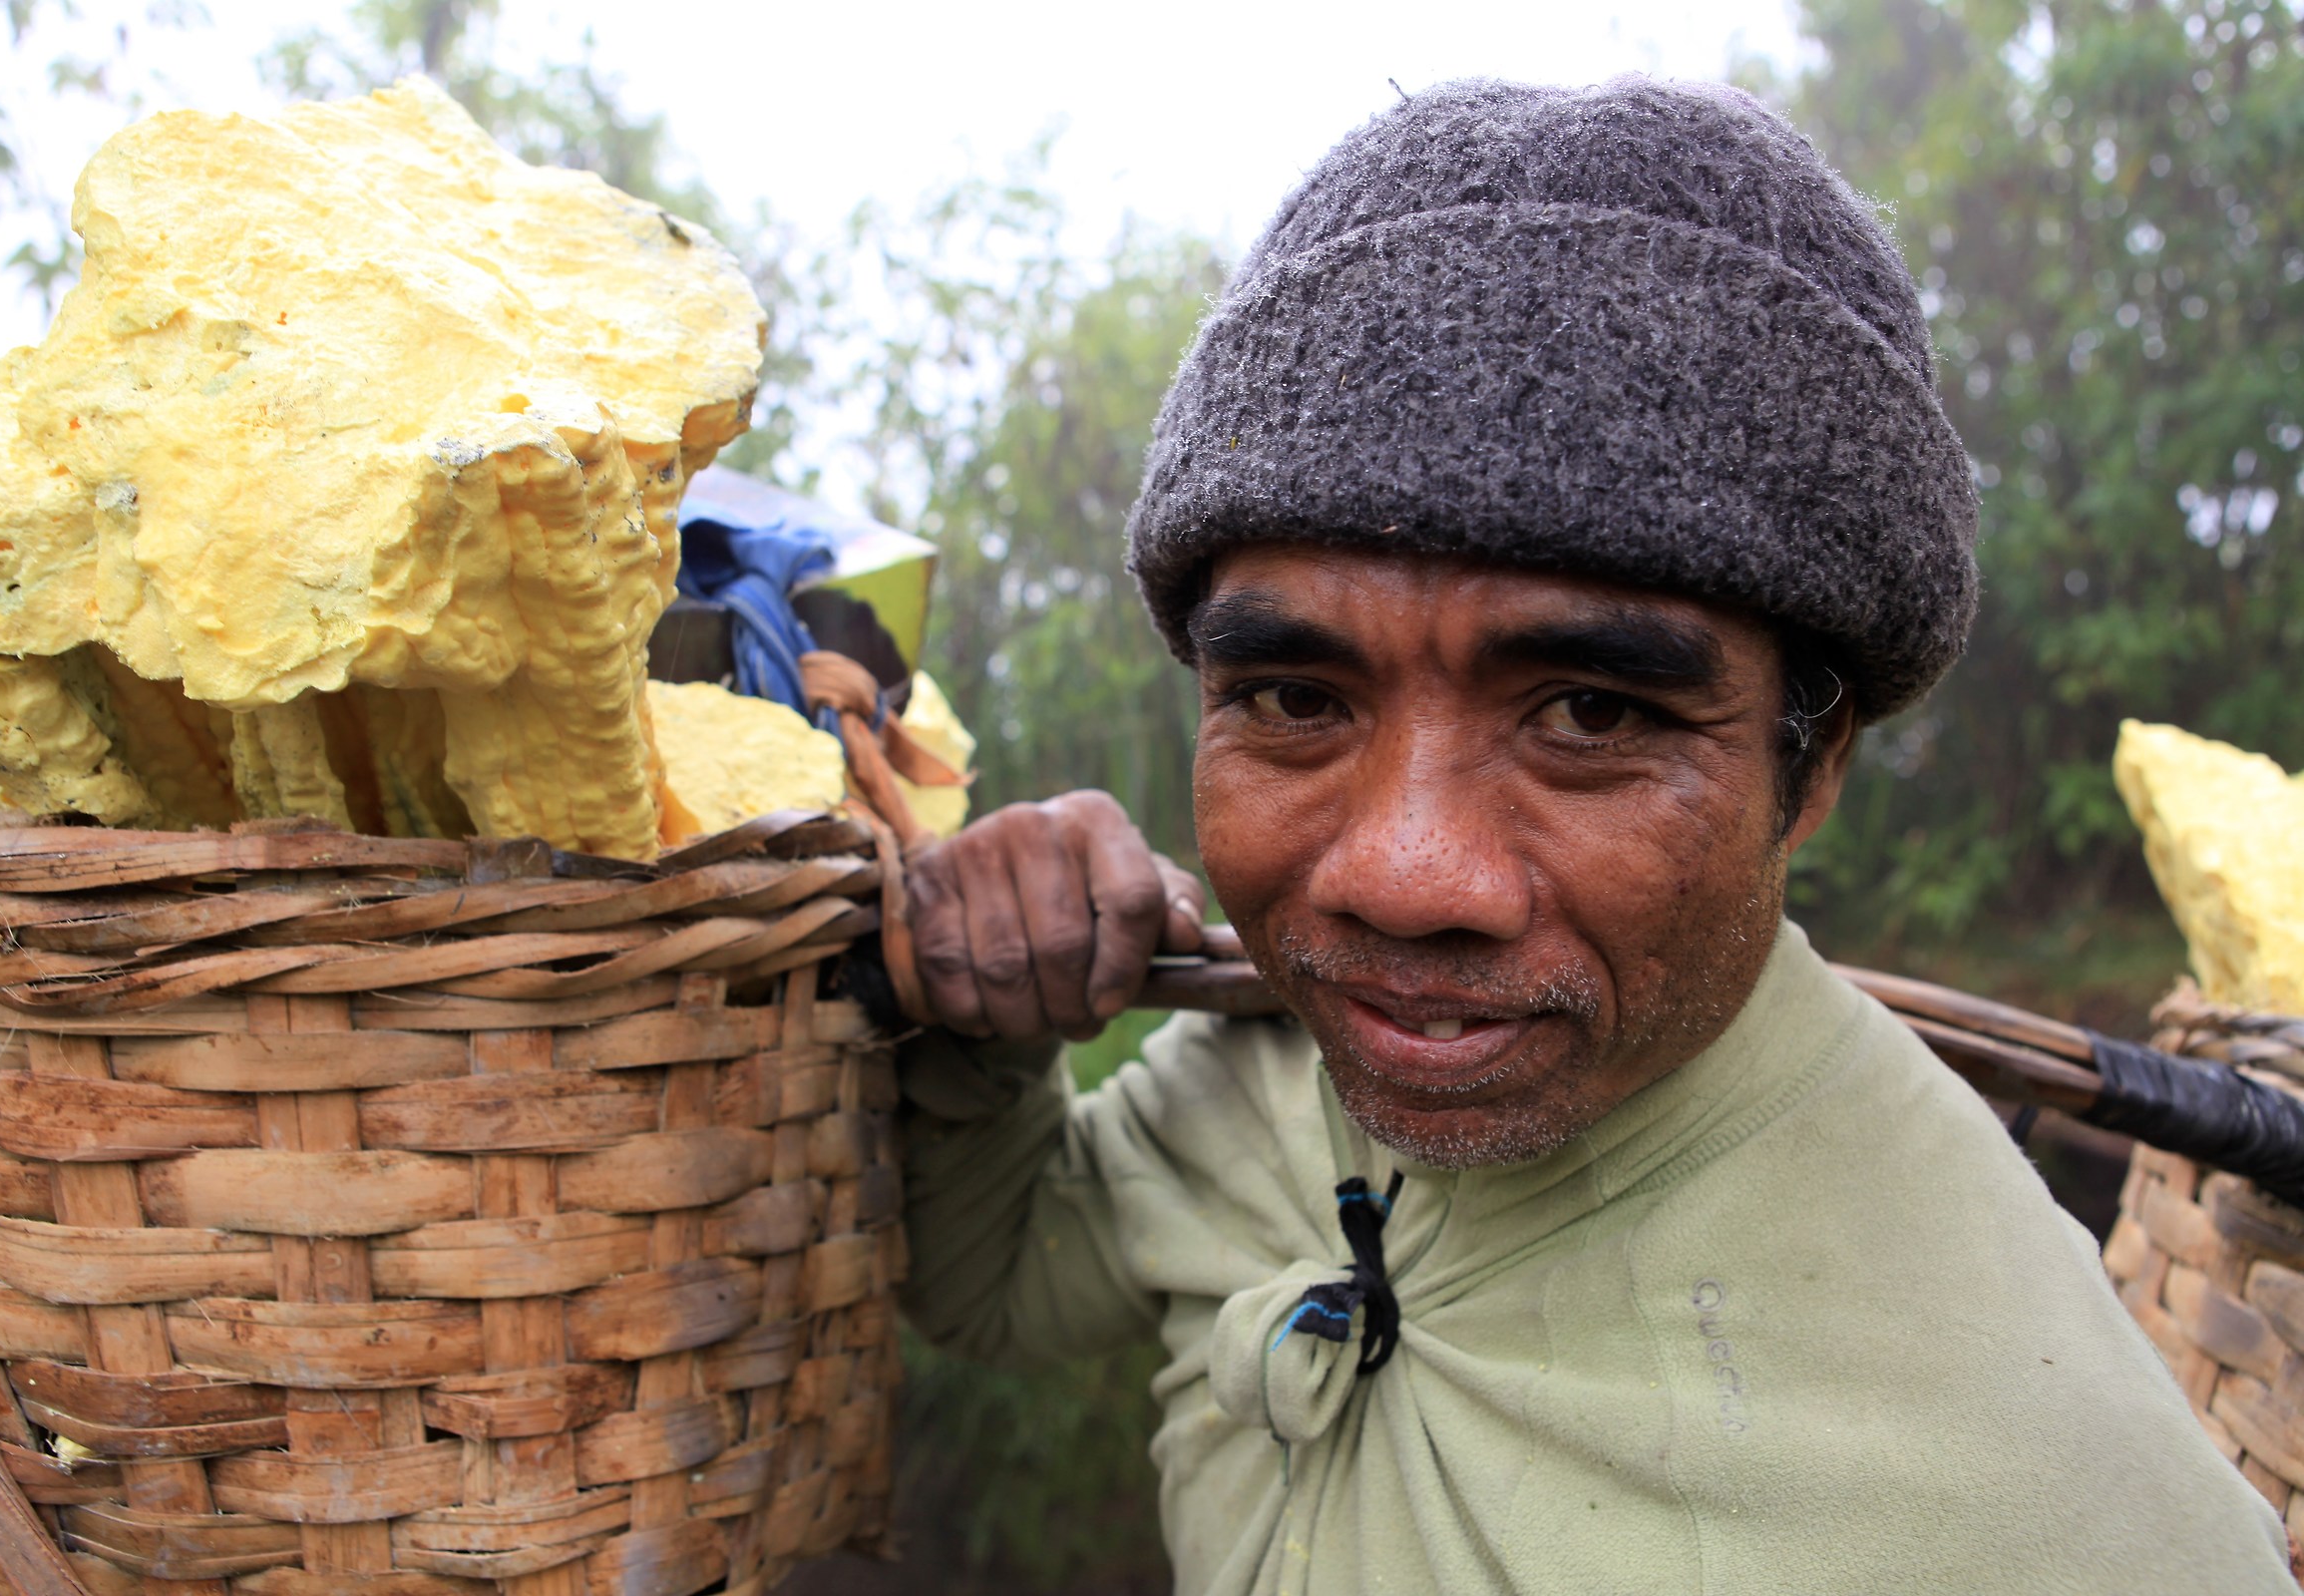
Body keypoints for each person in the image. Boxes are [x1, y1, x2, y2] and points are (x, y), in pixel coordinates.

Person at [895, 77, 2298, 1593]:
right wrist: (989, 1003)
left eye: (1593, 718)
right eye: (1296, 696)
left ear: (1807, 763)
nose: (1402, 878)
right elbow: (1001, 1273)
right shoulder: (1269, 1066)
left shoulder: (2046, 1498)